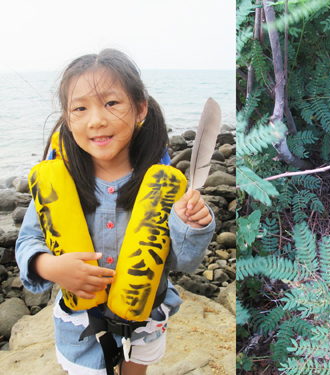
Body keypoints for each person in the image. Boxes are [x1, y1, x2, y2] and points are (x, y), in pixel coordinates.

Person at [15, 49, 215, 375]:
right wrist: (51, 266)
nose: (97, 119)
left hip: (145, 316)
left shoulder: (161, 187)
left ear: (140, 109)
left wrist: (192, 225)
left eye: (111, 103)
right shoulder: (60, 184)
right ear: (67, 118)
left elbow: (183, 261)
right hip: (81, 325)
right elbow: (27, 242)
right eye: (80, 108)